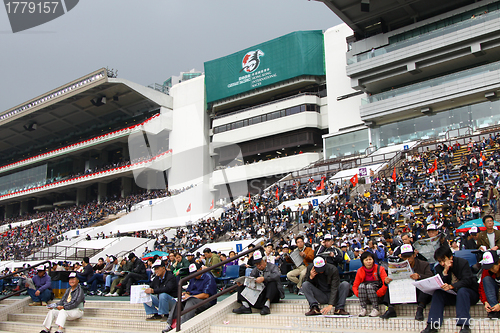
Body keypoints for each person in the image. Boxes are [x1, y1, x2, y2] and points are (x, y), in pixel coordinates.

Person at [420, 246, 479, 333]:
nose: (442, 263)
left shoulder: (462, 263)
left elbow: (468, 280)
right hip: (453, 295)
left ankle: (464, 326)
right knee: (438, 293)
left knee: (462, 290)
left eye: (444, 260)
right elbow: (441, 285)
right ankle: (432, 325)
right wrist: (445, 273)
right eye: (440, 261)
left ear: (450, 257)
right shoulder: (439, 268)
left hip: (469, 294)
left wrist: (452, 286)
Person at [380, 244, 433, 320]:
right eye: (405, 257)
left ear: (414, 255)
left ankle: (420, 309)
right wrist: (387, 280)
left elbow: (430, 276)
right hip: (404, 290)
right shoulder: (397, 266)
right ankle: (391, 308)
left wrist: (419, 276)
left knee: (424, 287)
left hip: (418, 292)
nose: (408, 259)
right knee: (392, 285)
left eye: (409, 257)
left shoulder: (424, 264)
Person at [163, 262, 217, 332]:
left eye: (195, 272)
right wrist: (185, 293)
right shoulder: (193, 278)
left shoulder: (208, 277)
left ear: (200, 269)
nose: (194, 275)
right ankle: (170, 324)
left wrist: (191, 296)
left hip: (207, 301)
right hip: (194, 298)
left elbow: (206, 295)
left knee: (191, 301)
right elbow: (189, 290)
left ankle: (182, 324)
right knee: (179, 301)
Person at [232, 251, 284, 315]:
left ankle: (267, 306)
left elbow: (277, 275)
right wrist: (244, 282)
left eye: (260, 263)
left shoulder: (272, 267)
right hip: (259, 294)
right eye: (257, 264)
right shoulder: (255, 270)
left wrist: (264, 278)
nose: (259, 266)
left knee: (272, 283)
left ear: (265, 260)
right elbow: (251, 278)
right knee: (240, 286)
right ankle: (246, 306)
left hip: (273, 295)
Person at [352, 251, 388, 317]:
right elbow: (355, 286)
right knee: (361, 286)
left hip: (378, 296)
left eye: (370, 259)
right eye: (366, 260)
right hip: (365, 296)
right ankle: (363, 308)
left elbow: (385, 284)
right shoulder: (360, 270)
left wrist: (377, 294)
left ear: (373, 260)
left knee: (369, 286)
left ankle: (376, 308)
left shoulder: (380, 269)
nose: (368, 262)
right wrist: (359, 294)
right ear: (363, 261)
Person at [478, 250, 500, 319]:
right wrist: (485, 302)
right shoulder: (487, 270)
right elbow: (482, 286)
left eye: (492, 267)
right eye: (489, 267)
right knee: (486, 279)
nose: (491, 269)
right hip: (494, 295)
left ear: (499, 262)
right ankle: (494, 310)